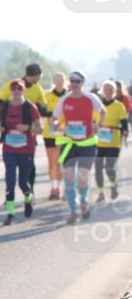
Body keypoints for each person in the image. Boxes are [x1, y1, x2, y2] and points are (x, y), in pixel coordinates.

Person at [51, 70, 104, 224]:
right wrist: (56, 125)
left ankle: (84, 200)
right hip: (69, 144)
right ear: (70, 83)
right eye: (72, 81)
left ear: (82, 83)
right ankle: (73, 212)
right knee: (68, 177)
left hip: (87, 144)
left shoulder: (90, 98)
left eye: (78, 81)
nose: (74, 84)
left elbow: (103, 112)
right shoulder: (65, 99)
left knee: (82, 177)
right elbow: (54, 118)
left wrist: (97, 125)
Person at [0, 64, 48, 199]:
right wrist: (3, 123)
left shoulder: (38, 89)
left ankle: (29, 193)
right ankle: (10, 198)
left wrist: (32, 121)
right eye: (38, 77)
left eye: (19, 90)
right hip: (10, 136)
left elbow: (43, 107)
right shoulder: (11, 84)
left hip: (28, 135)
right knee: (10, 175)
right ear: (33, 75)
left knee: (29, 168)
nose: (16, 91)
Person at [0, 79, 41, 225]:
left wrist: (27, 128)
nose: (16, 92)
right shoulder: (5, 107)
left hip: (26, 149)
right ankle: (10, 214)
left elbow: (39, 129)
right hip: (9, 148)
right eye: (14, 89)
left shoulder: (30, 107)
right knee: (10, 181)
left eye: (19, 89)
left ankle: (28, 199)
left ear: (23, 91)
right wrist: (2, 129)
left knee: (23, 182)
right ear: (10, 91)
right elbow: (2, 124)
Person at [94, 80, 129, 202]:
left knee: (110, 168)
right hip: (98, 142)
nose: (108, 92)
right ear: (102, 91)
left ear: (115, 92)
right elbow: (92, 120)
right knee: (98, 168)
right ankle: (101, 193)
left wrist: (125, 132)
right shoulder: (97, 105)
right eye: (106, 89)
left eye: (111, 90)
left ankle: (114, 186)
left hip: (113, 142)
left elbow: (124, 123)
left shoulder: (119, 106)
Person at [43, 72, 68, 201]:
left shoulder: (69, 96)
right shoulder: (47, 96)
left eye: (61, 80)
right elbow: (42, 110)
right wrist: (53, 115)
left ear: (65, 81)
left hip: (63, 133)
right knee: (52, 162)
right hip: (49, 132)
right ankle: (54, 188)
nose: (59, 82)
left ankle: (60, 187)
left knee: (60, 161)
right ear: (54, 81)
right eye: (57, 80)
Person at [116, 80, 131, 148]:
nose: (116, 88)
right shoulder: (111, 96)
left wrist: (123, 115)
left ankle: (124, 137)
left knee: (123, 127)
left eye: (118, 86)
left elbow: (128, 108)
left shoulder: (125, 97)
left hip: (123, 116)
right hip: (114, 117)